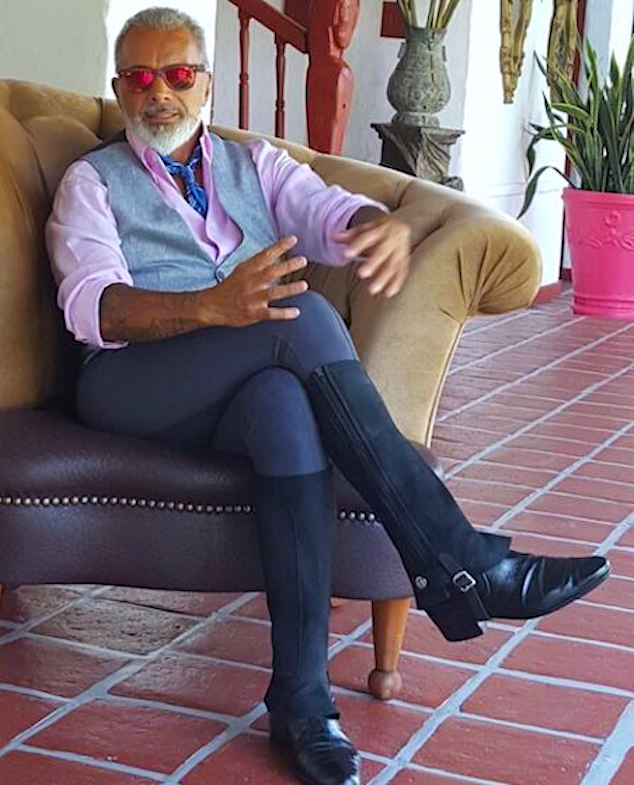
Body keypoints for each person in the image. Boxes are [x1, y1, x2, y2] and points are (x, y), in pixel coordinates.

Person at [46, 8, 609, 785]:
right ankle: (460, 559)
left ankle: (302, 700)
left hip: (233, 388)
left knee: (285, 410)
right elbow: (94, 309)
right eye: (140, 78)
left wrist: (379, 224)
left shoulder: (254, 164)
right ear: (119, 89)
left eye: (177, 75)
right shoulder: (91, 182)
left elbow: (332, 213)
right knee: (303, 316)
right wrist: (211, 307)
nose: (159, 94)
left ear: (205, 84)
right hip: (131, 381)